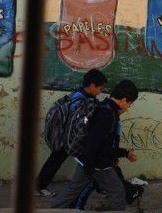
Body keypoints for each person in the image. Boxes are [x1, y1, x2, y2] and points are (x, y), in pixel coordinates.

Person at [51, 80, 139, 211]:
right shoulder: (108, 114)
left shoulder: (104, 106)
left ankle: (52, 209)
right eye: (130, 104)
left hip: (86, 159)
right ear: (124, 100)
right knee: (118, 192)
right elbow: (95, 141)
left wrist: (124, 153)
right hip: (98, 164)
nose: (129, 107)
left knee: (72, 190)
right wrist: (91, 164)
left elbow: (99, 141)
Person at [36, 68, 108, 196]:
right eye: (100, 89)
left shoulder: (77, 95)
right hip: (70, 139)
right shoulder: (82, 100)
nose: (100, 92)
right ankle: (39, 187)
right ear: (92, 86)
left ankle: (39, 186)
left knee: (55, 161)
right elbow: (77, 122)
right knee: (86, 160)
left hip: (65, 137)